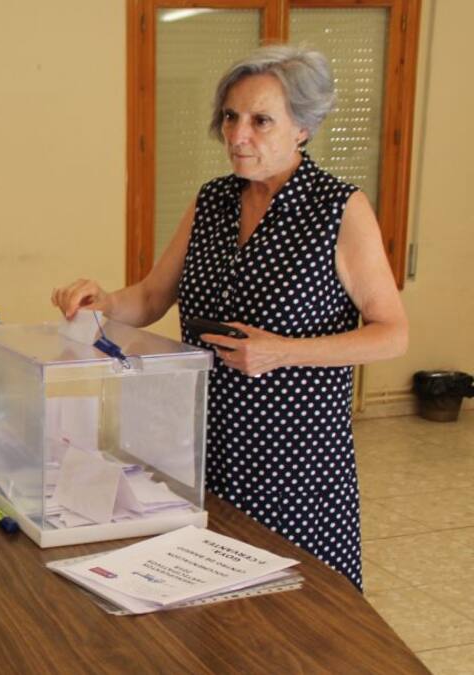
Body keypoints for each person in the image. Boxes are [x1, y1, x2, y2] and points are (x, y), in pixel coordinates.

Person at [51, 45, 407, 590]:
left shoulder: (338, 209)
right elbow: (150, 297)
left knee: (300, 616)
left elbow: (392, 334)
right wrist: (102, 299)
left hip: (295, 459)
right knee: (212, 603)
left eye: (261, 120)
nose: (238, 134)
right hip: (204, 443)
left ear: (303, 129)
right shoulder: (212, 201)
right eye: (230, 117)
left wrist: (283, 351)